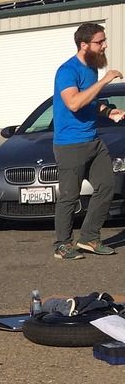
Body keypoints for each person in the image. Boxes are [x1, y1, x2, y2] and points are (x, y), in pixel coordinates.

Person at [51, 23, 124, 259]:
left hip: (93, 140)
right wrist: (105, 81)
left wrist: (107, 112)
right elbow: (74, 103)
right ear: (84, 45)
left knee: (107, 186)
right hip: (70, 144)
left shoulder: (91, 69)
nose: (104, 45)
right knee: (70, 196)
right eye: (100, 42)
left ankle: (89, 238)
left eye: (104, 41)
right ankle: (62, 245)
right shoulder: (67, 71)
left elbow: (89, 101)